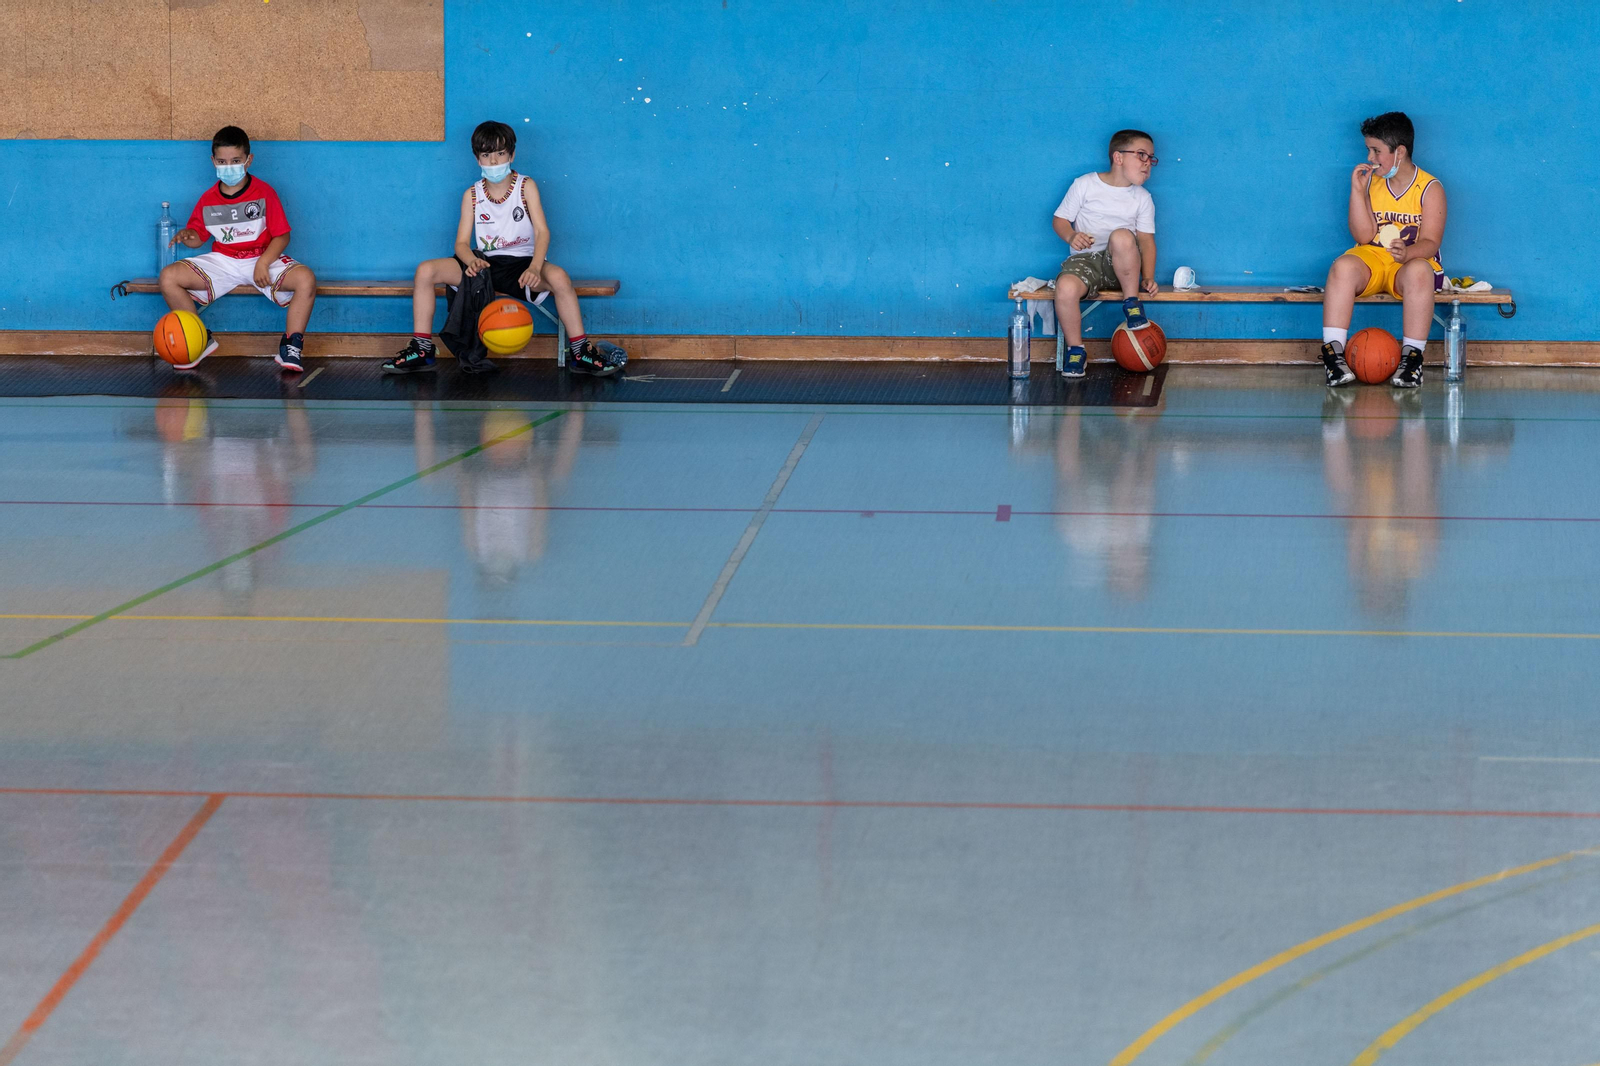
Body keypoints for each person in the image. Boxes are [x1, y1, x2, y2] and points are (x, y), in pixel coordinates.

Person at [384, 120, 624, 375]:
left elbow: (543, 231)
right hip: (485, 264)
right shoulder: (472, 195)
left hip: (522, 265)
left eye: (500, 153)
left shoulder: (525, 186)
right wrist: (471, 260)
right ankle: (422, 349)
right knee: (425, 270)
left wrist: (534, 266)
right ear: (477, 159)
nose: (494, 161)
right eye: (487, 155)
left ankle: (580, 352)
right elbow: (462, 243)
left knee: (560, 277)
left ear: (512, 154)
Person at [160, 126, 317, 372]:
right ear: (213, 161)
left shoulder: (264, 193)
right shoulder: (207, 199)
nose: (228, 166)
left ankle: (291, 346)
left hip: (262, 258)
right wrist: (187, 236)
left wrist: (264, 262)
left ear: (248, 160)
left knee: (306, 279)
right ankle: (200, 338)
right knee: (169, 277)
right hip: (223, 260)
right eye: (222, 161)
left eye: (235, 161)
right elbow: (198, 238)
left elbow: (282, 236)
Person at [1320, 112, 1447, 389]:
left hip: (1408, 264)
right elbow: (1363, 235)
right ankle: (1334, 357)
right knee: (1342, 266)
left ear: (1400, 152)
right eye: (1368, 149)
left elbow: (1431, 242)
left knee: (1419, 272)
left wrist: (1409, 254)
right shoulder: (1372, 182)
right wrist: (1357, 191)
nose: (1370, 157)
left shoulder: (1430, 188)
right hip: (1374, 259)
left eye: (1376, 150)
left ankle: (1412, 360)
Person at [1051, 129, 1160, 379]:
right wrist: (1071, 236)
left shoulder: (1142, 198)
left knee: (1122, 236)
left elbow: (1146, 240)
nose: (1147, 163)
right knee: (1065, 286)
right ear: (1118, 157)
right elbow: (1060, 220)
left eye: (1151, 158)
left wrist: (1149, 276)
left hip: (1122, 268)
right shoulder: (1085, 184)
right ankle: (1076, 350)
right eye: (1141, 155)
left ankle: (1132, 305)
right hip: (1086, 263)